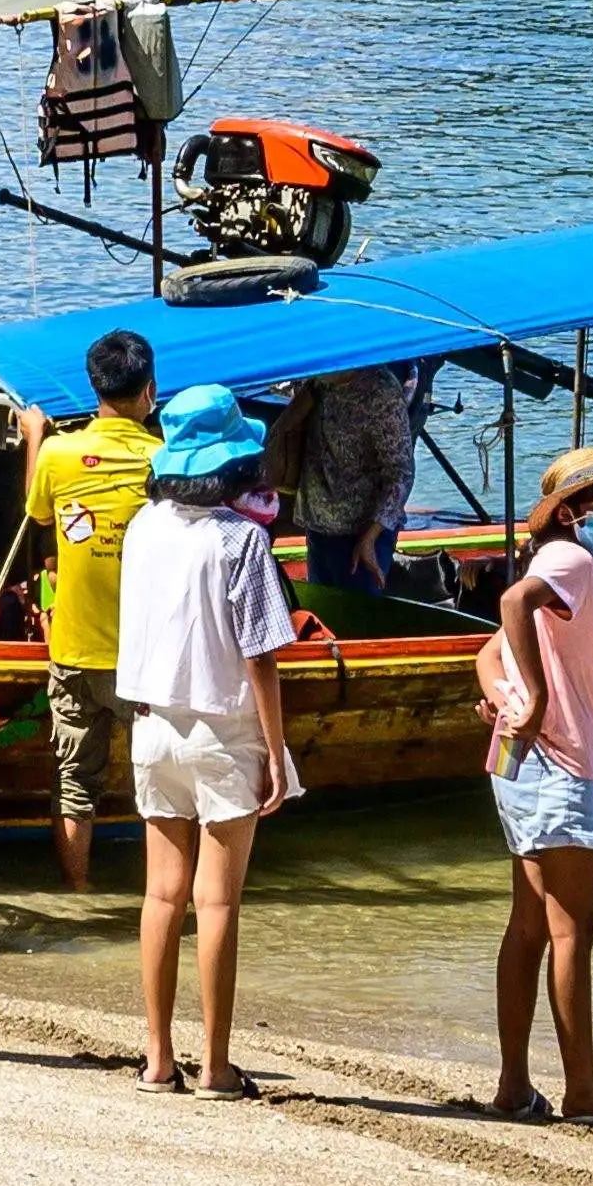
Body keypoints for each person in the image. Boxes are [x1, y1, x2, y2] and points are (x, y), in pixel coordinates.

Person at [113, 381, 297, 1098]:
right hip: (223, 730)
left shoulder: (141, 527)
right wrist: (277, 753)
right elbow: (262, 656)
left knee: (162, 896)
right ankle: (216, 1065)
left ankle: (158, 1059)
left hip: (153, 725)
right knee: (216, 904)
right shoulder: (242, 541)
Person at [482, 446, 593, 1126]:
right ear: (571, 512)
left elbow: (488, 649)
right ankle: (583, 1092)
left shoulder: (548, 558)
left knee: (530, 926)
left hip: (516, 761)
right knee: (572, 931)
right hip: (560, 762)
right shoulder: (571, 560)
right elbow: (512, 607)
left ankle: (515, 1085)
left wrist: (509, 698)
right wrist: (536, 697)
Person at [20, 330, 161, 895]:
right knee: (161, 784)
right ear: (150, 390)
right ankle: (166, 894)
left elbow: (36, 507)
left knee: (76, 783)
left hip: (75, 649)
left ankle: (77, 891)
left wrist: (34, 436)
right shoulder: (164, 457)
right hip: (145, 659)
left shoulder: (57, 453)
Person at [275, 358, 423, 607]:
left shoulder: (380, 393)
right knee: (323, 611)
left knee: (358, 613)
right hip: (319, 524)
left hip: (361, 532)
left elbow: (401, 473)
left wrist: (370, 537)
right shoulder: (317, 383)